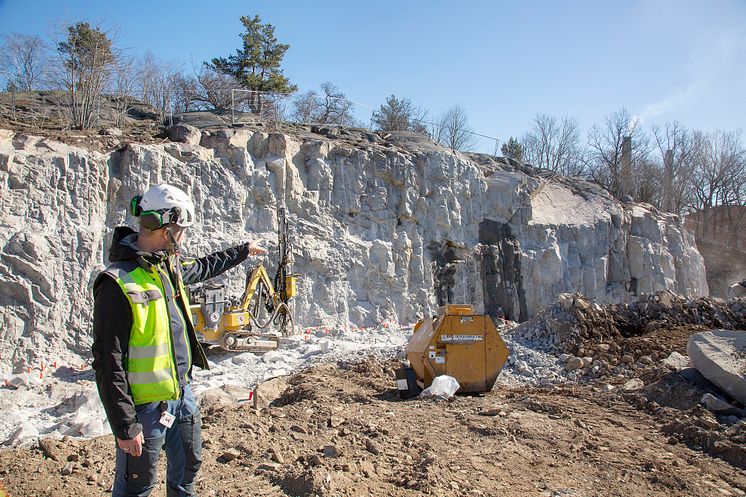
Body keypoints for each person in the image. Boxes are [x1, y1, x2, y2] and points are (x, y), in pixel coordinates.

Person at [91, 184, 266, 497]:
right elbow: (108, 361)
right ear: (167, 227)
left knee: (187, 472)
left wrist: (241, 251)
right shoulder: (117, 282)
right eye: (182, 229)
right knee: (137, 487)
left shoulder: (167, 267)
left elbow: (204, 266)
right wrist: (124, 425)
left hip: (181, 397)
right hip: (144, 410)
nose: (184, 236)